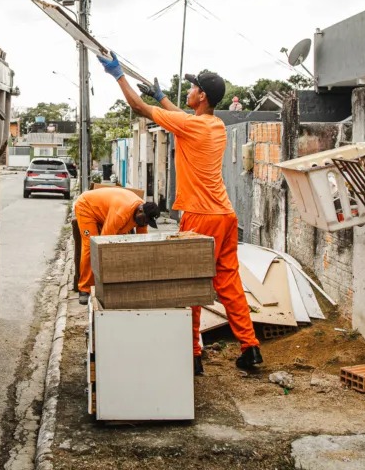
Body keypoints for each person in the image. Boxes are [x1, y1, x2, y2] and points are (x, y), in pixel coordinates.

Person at [96, 55, 263, 374]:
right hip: (225, 215)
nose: (189, 90)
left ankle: (193, 354)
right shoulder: (215, 125)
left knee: (191, 281)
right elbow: (183, 118)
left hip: (200, 216)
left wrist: (117, 75)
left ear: (202, 96)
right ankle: (250, 347)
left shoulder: (192, 125)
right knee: (229, 283)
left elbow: (139, 108)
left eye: (193, 87)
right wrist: (161, 97)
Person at [72, 187, 161, 305]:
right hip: (86, 207)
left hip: (104, 211)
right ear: (140, 210)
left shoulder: (143, 215)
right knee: (91, 246)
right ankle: (85, 288)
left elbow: (142, 241)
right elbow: (103, 242)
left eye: (147, 223)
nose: (144, 224)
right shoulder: (121, 213)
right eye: (145, 221)